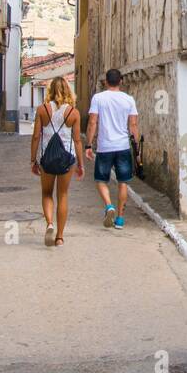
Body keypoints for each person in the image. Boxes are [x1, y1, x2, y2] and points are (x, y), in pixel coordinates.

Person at [31, 76, 84, 246]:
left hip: (46, 158)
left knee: (47, 193)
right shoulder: (73, 113)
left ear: (50, 90)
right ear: (68, 90)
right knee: (63, 195)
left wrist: (33, 160)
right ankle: (60, 237)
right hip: (66, 160)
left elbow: (36, 136)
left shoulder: (42, 110)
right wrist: (81, 164)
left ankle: (49, 223)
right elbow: (77, 141)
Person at [85, 68, 139, 229]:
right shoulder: (129, 100)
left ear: (106, 82)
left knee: (101, 180)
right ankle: (120, 219)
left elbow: (93, 122)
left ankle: (109, 206)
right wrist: (136, 148)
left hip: (105, 146)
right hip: (123, 146)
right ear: (121, 81)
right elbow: (133, 125)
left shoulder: (98, 98)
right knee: (123, 182)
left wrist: (88, 144)